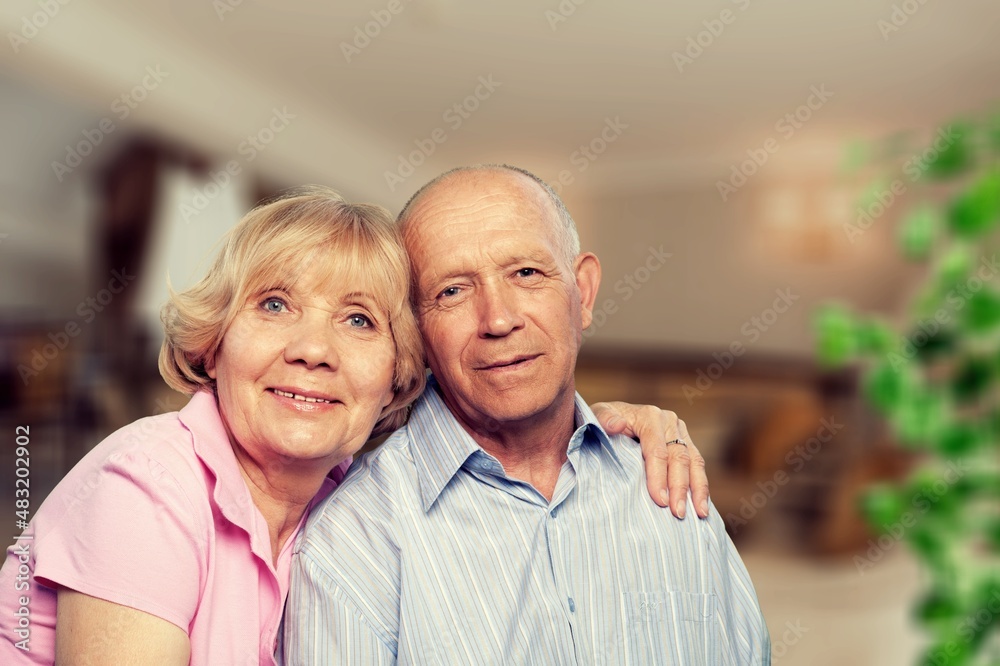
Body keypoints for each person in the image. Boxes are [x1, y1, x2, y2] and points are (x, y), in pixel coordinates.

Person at [0, 187, 704, 665]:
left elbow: (487, 416)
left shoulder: (350, 498)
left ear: (396, 372)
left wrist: (611, 423)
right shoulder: (145, 486)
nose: (313, 349)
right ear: (214, 342)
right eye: (275, 305)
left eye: (359, 320)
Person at [284, 166, 771, 664]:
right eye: (452, 290)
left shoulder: (670, 482)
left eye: (526, 273)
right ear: (414, 329)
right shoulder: (352, 542)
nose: (498, 318)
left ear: (582, 292)